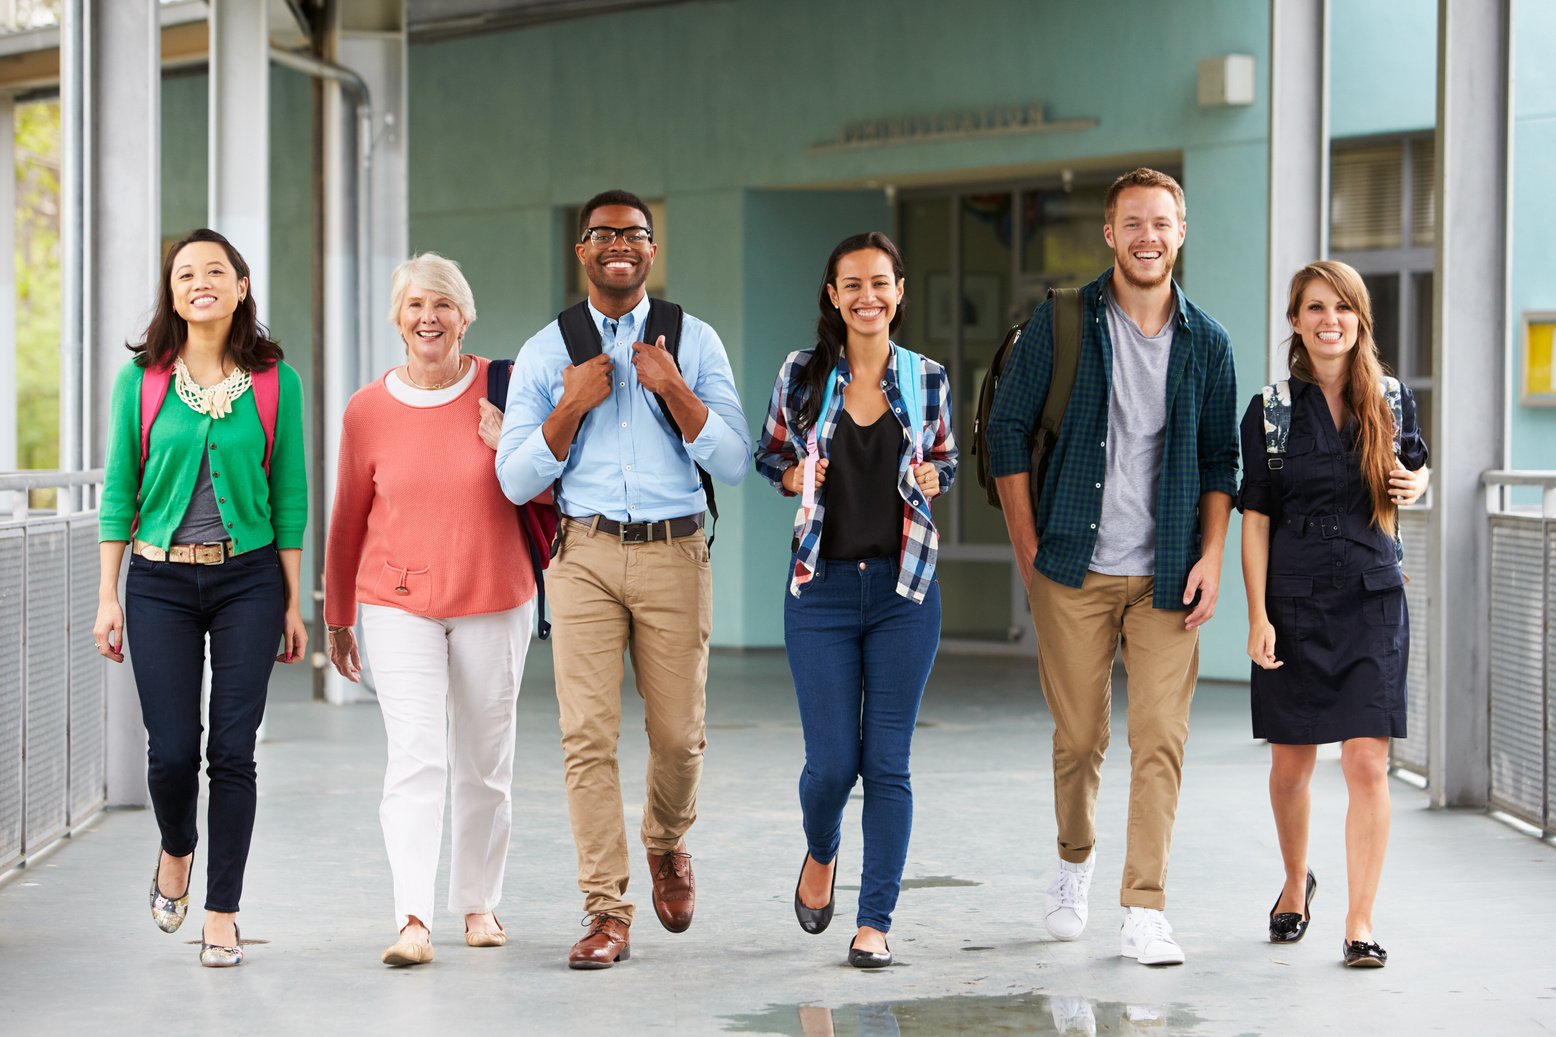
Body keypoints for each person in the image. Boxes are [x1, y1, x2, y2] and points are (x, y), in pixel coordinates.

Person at [986, 168, 1239, 966]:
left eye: (1162, 222)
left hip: (1167, 571)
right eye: (1133, 222)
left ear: (1181, 231)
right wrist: (1028, 550)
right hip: (1071, 563)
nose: (1148, 236)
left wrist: (1211, 553)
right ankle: (1073, 861)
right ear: (1110, 233)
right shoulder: (1061, 322)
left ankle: (1145, 906)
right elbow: (1004, 432)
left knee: (1159, 737)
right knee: (1081, 735)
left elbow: (1221, 459)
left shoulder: (1210, 342)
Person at [496, 189, 750, 969]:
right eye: (603, 234)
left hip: (676, 551)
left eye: (634, 235)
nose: (619, 245)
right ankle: (606, 908)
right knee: (586, 737)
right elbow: (512, 477)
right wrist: (568, 409)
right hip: (586, 555)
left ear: (650, 249)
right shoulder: (549, 351)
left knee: (679, 735)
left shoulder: (694, 340)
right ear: (582, 251)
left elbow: (736, 461)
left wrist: (674, 388)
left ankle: (667, 840)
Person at [93, 228, 308, 968]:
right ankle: (176, 847)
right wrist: (107, 595)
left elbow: (289, 492)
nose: (200, 281)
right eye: (185, 273)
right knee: (173, 750)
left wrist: (289, 598)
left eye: (215, 269)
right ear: (172, 292)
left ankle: (221, 911)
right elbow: (119, 489)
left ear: (241, 286)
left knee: (233, 751)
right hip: (156, 583)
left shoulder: (276, 380)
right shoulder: (143, 380)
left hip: (247, 578)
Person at [324, 252, 539, 966]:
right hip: (397, 602)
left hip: (494, 593)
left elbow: (555, 494)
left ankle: (479, 903)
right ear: (397, 318)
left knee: (486, 758)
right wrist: (337, 612)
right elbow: (348, 517)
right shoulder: (367, 410)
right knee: (416, 757)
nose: (429, 317)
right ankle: (413, 917)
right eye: (416, 304)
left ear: (465, 315)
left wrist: (510, 442)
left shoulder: (508, 392)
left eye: (443, 304)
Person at [754, 232, 957, 969]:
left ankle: (875, 921)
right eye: (853, 285)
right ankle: (821, 847)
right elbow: (770, 455)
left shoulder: (928, 376)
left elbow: (944, 456)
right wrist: (799, 479)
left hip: (906, 589)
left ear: (900, 291)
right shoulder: (802, 374)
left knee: (889, 764)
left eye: (881, 283)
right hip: (822, 590)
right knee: (833, 766)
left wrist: (937, 477)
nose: (867, 297)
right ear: (833, 296)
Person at [1239, 260, 1429, 968]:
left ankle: (1360, 918)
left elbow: (1415, 465)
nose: (1330, 320)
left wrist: (1421, 479)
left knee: (1367, 762)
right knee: (1292, 766)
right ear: (1295, 320)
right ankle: (1296, 879)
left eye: (1343, 308)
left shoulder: (1393, 400)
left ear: (1360, 319)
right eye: (1315, 307)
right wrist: (1256, 613)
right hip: (1292, 604)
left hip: (1373, 598)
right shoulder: (1271, 410)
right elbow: (1254, 516)